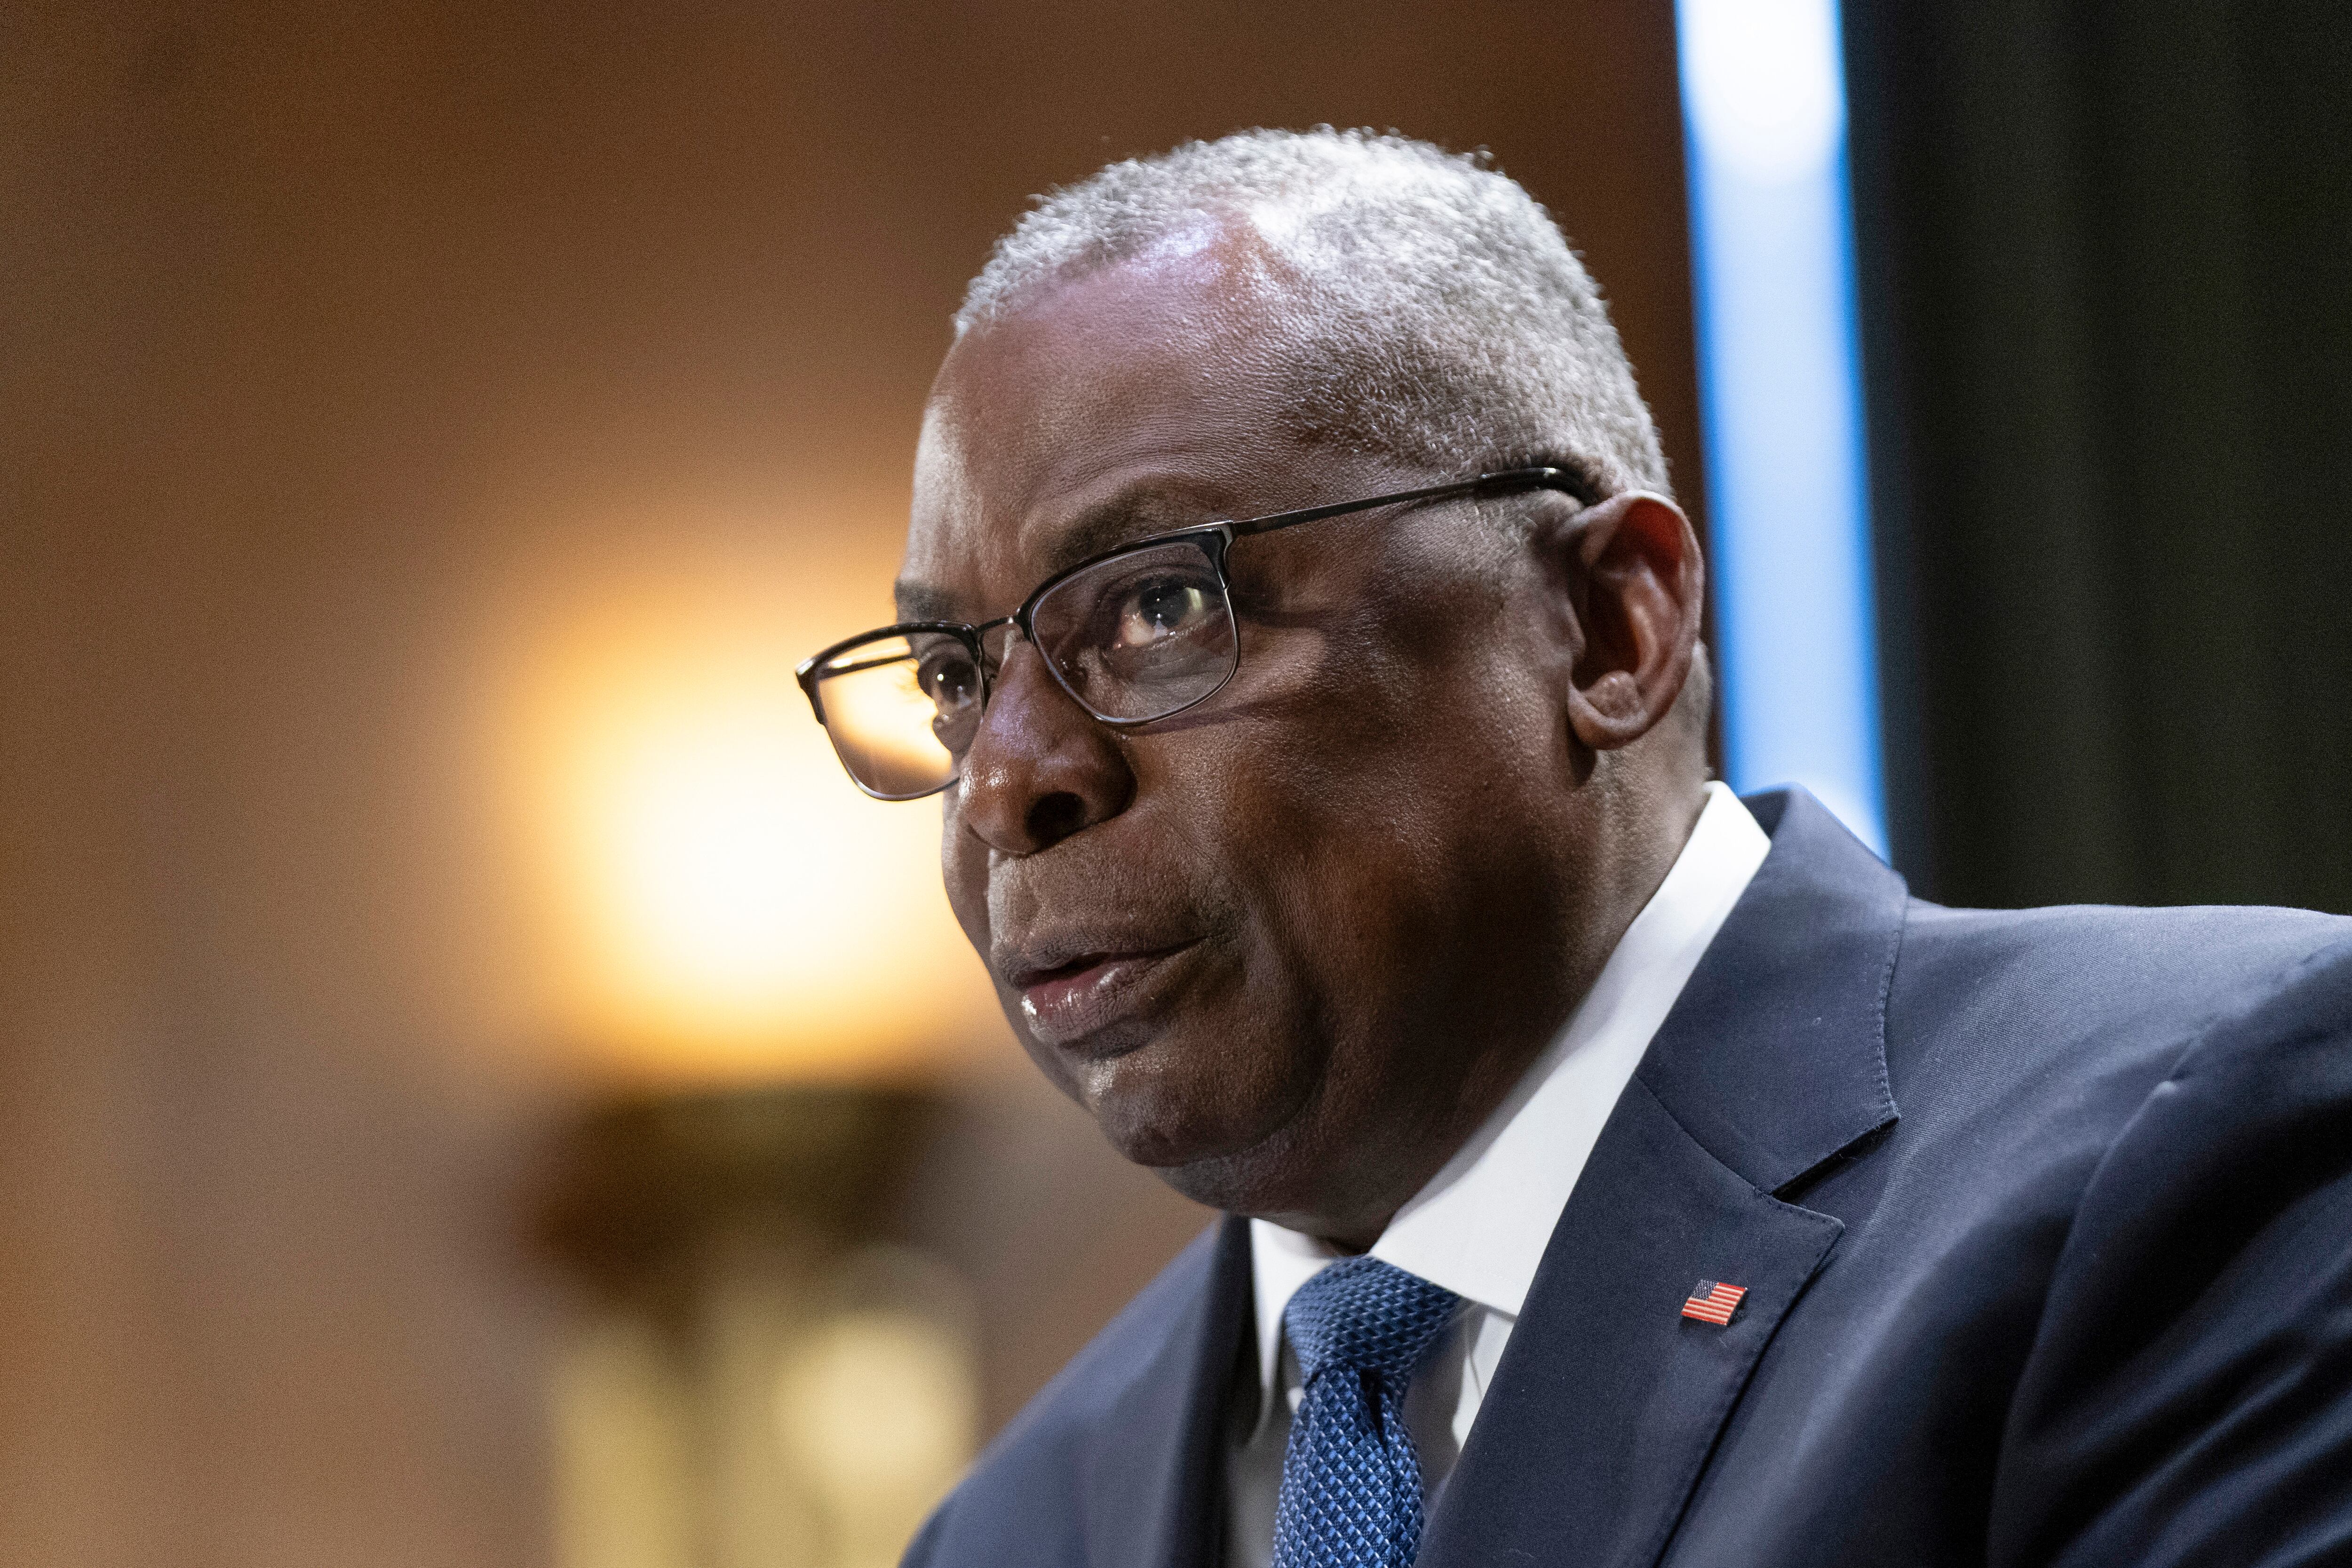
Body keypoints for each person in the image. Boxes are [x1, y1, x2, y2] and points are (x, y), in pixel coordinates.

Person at [795, 129, 2352, 1568]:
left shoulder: (2193, 1145)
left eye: (1160, 605)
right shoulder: (1009, 1533)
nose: (1003, 781)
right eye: (951, 680)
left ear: (1610, 624)